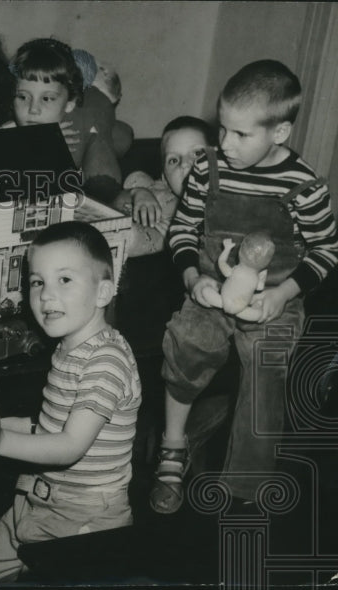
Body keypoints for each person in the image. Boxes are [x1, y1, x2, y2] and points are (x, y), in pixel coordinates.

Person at [151, 60, 338, 514]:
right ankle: (172, 449)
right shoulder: (207, 169)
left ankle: (245, 487)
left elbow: (327, 251)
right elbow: (183, 231)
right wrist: (193, 279)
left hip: (273, 298)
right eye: (222, 130)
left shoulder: (304, 186)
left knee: (265, 363)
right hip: (212, 288)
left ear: (279, 133)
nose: (224, 144)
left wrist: (283, 294)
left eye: (240, 135)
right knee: (187, 341)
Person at [0, 221, 141, 585]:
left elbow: (70, 445)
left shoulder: (105, 361)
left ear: (103, 292)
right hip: (38, 496)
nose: (45, 295)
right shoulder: (70, 347)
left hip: (84, 515)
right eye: (37, 281)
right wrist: (3, 424)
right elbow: (54, 425)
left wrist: (1, 441)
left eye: (64, 280)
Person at [11, 38, 123, 203]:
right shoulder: (4, 134)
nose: (33, 109)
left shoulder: (74, 135)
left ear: (70, 104)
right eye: (22, 97)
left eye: (47, 98)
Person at [114, 116, 215, 257]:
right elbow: (115, 204)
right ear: (165, 179)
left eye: (197, 153)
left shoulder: (230, 200)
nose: (185, 164)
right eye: (173, 160)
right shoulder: (163, 194)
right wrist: (137, 193)